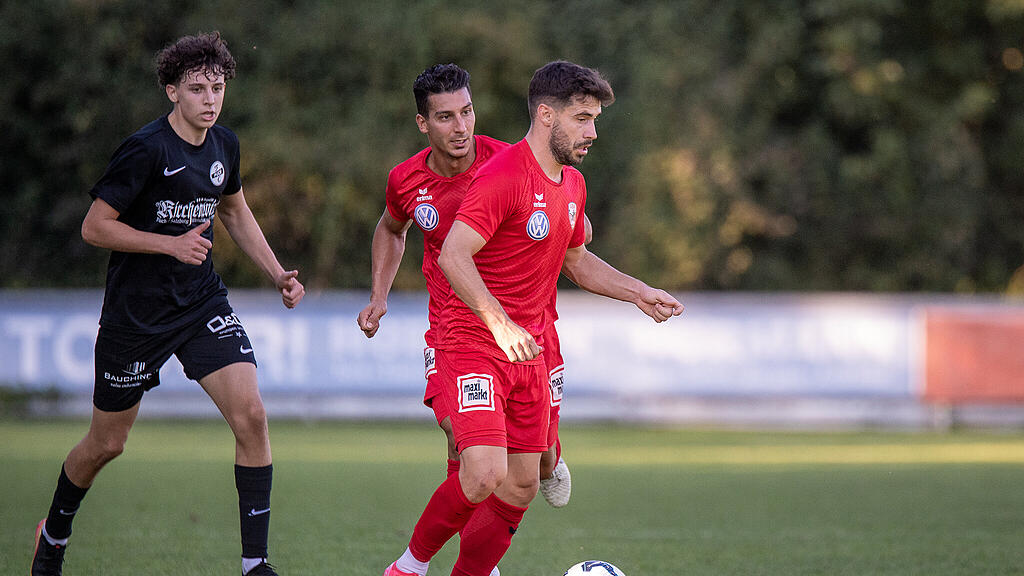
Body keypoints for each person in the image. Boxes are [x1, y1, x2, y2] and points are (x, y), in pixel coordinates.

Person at [382, 60, 683, 576]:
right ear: (546, 115)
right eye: (582, 119)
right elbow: (454, 254)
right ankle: (408, 568)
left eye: (594, 120)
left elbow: (577, 260)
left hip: (533, 350)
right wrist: (499, 322)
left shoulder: (571, 184)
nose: (591, 132)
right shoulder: (502, 175)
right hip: (475, 340)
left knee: (522, 484)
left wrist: (639, 292)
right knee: (482, 473)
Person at [30, 32, 303, 576]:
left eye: (218, 87)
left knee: (252, 416)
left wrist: (276, 273)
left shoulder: (224, 144)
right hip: (137, 315)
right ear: (172, 91)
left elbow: (235, 212)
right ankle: (53, 532)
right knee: (107, 443)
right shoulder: (146, 149)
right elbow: (94, 227)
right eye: (197, 88)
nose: (210, 98)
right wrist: (168, 244)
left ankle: (256, 564)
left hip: (200, 303)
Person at [355, 64, 580, 508]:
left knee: (539, 463)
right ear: (423, 123)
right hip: (454, 329)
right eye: (445, 117)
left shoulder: (508, 162)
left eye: (467, 112)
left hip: (525, 327)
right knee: (464, 443)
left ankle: (551, 459)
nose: (461, 127)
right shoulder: (406, 180)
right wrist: (378, 297)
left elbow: (570, 217)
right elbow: (391, 229)